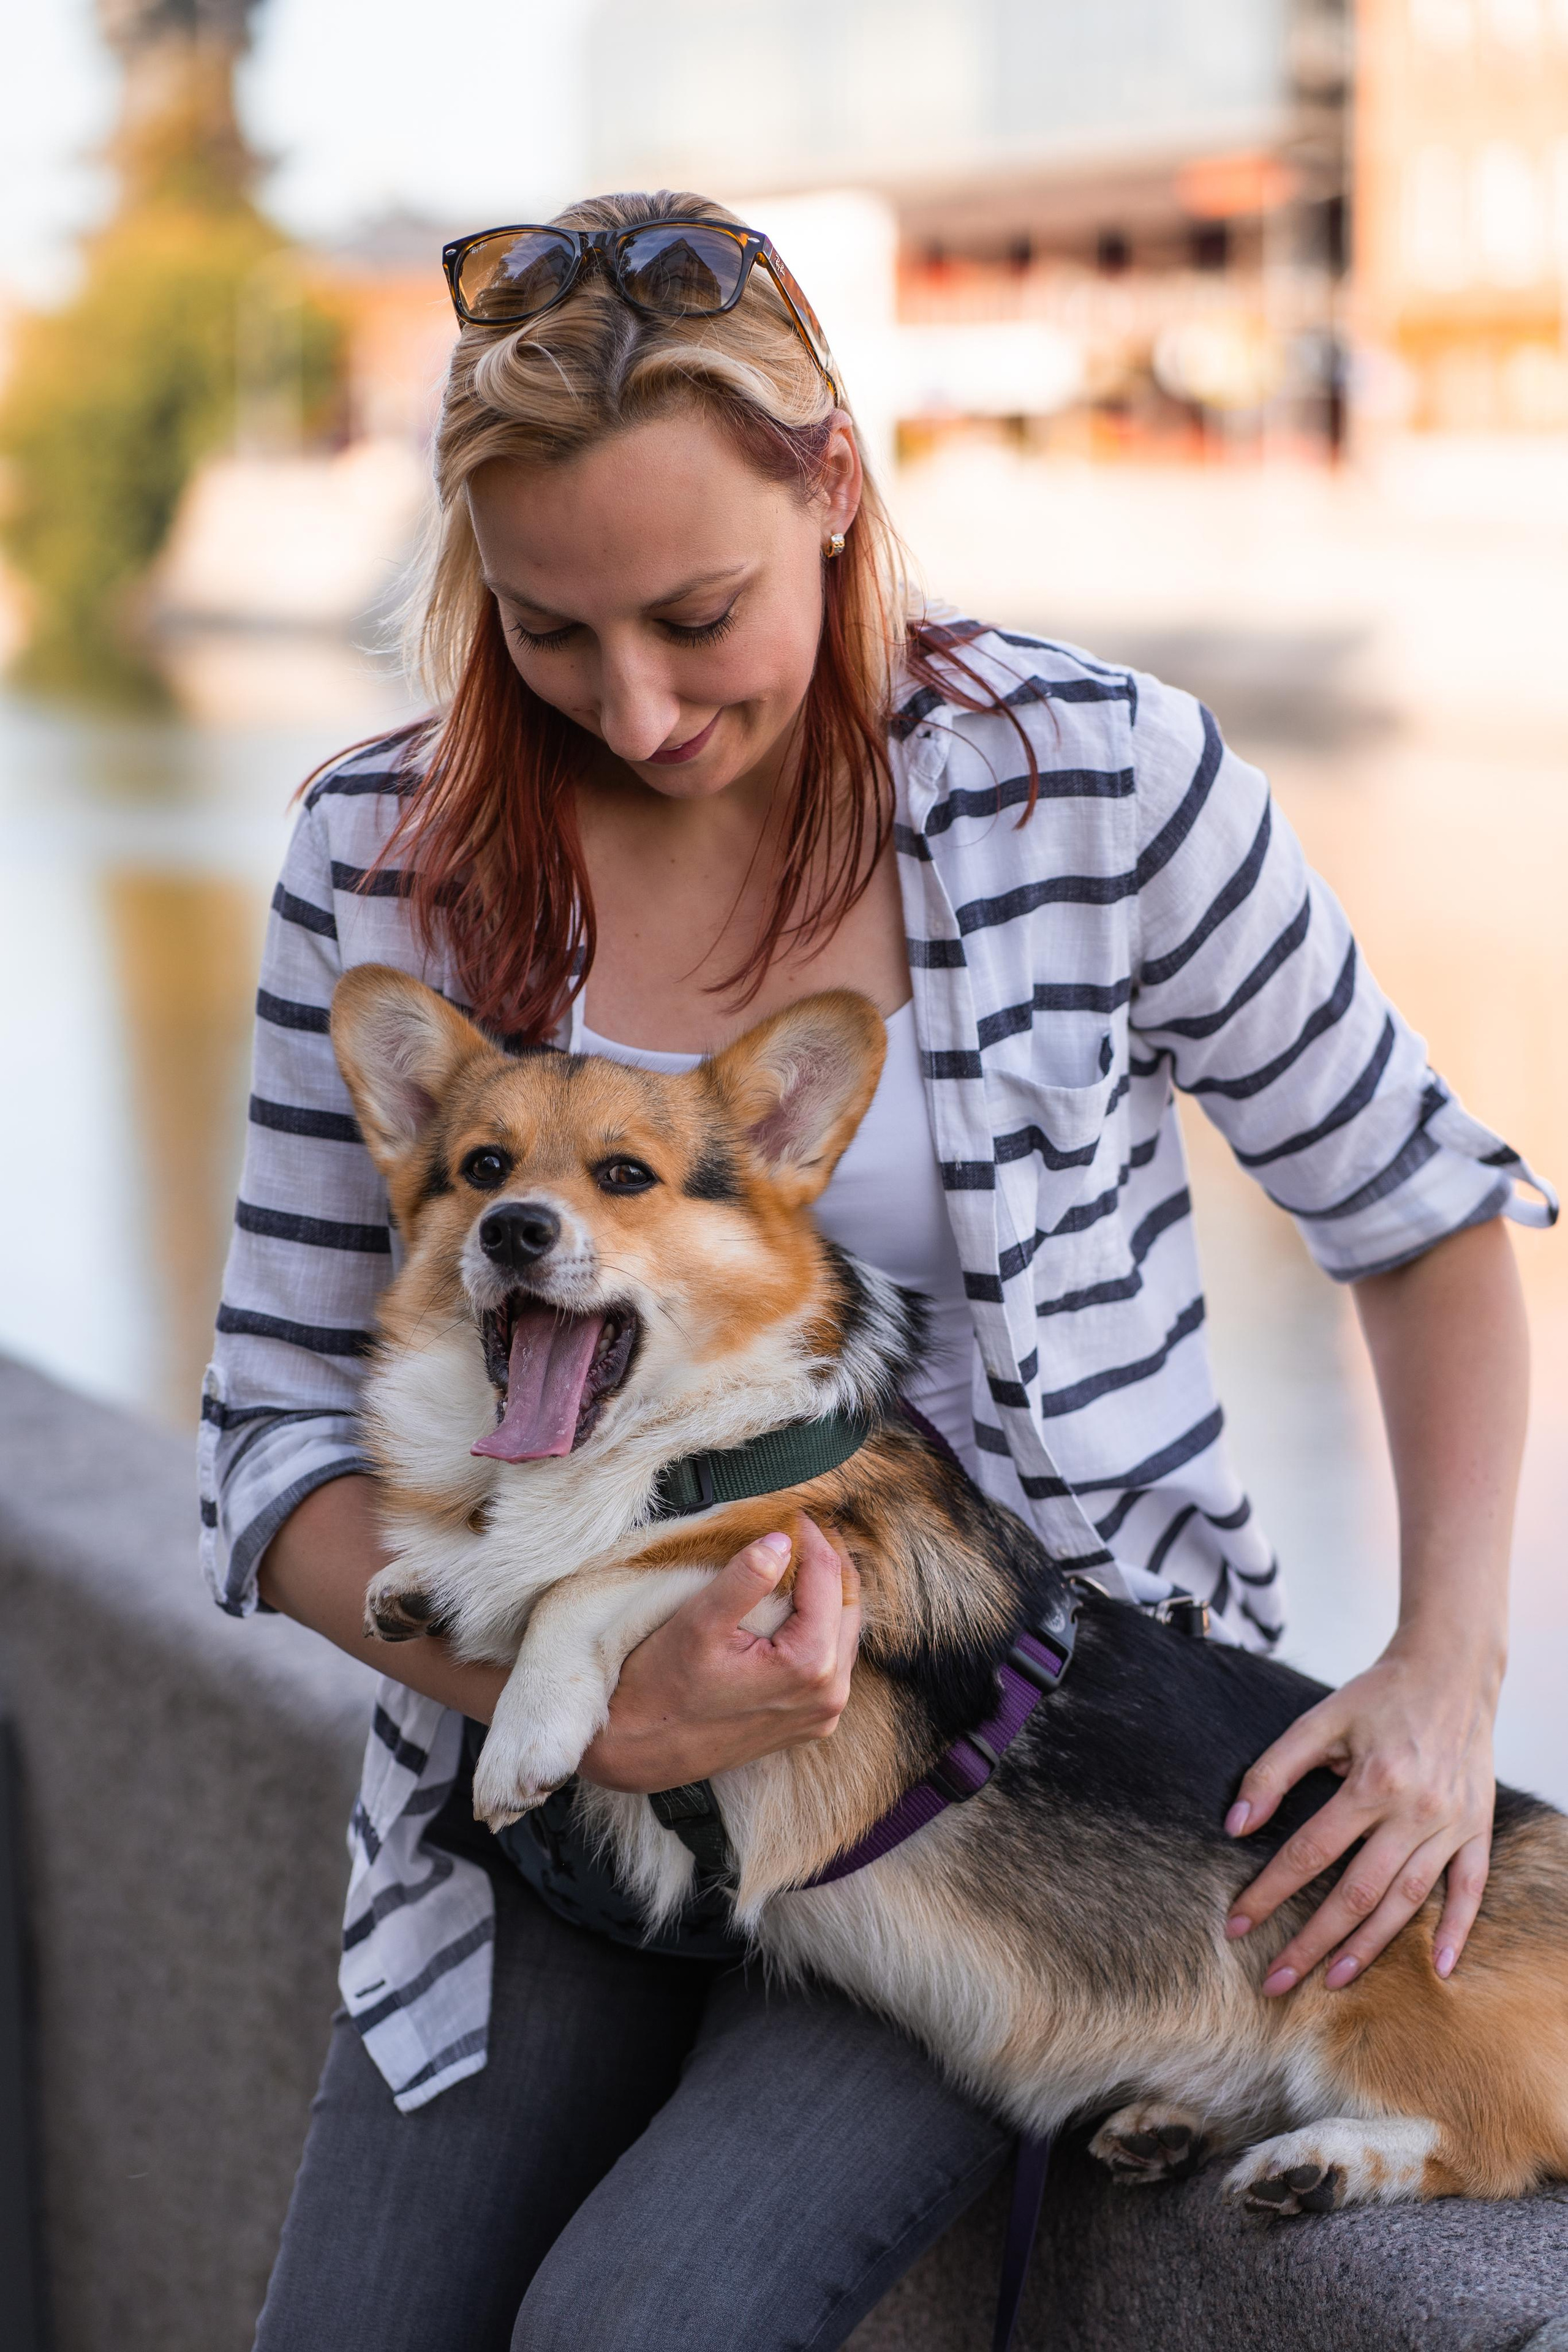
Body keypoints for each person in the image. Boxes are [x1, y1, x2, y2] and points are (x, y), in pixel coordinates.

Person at [201, 192, 1553, 2351]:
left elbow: (1418, 1209)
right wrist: (589, 1708)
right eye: (551, 633)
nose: (633, 709)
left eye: (696, 613)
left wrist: (1445, 1670)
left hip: (1009, 1786)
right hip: (543, 1780)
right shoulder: (381, 853)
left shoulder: (1099, 781)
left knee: (649, 2324)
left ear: (836, 483)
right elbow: (267, 1433)